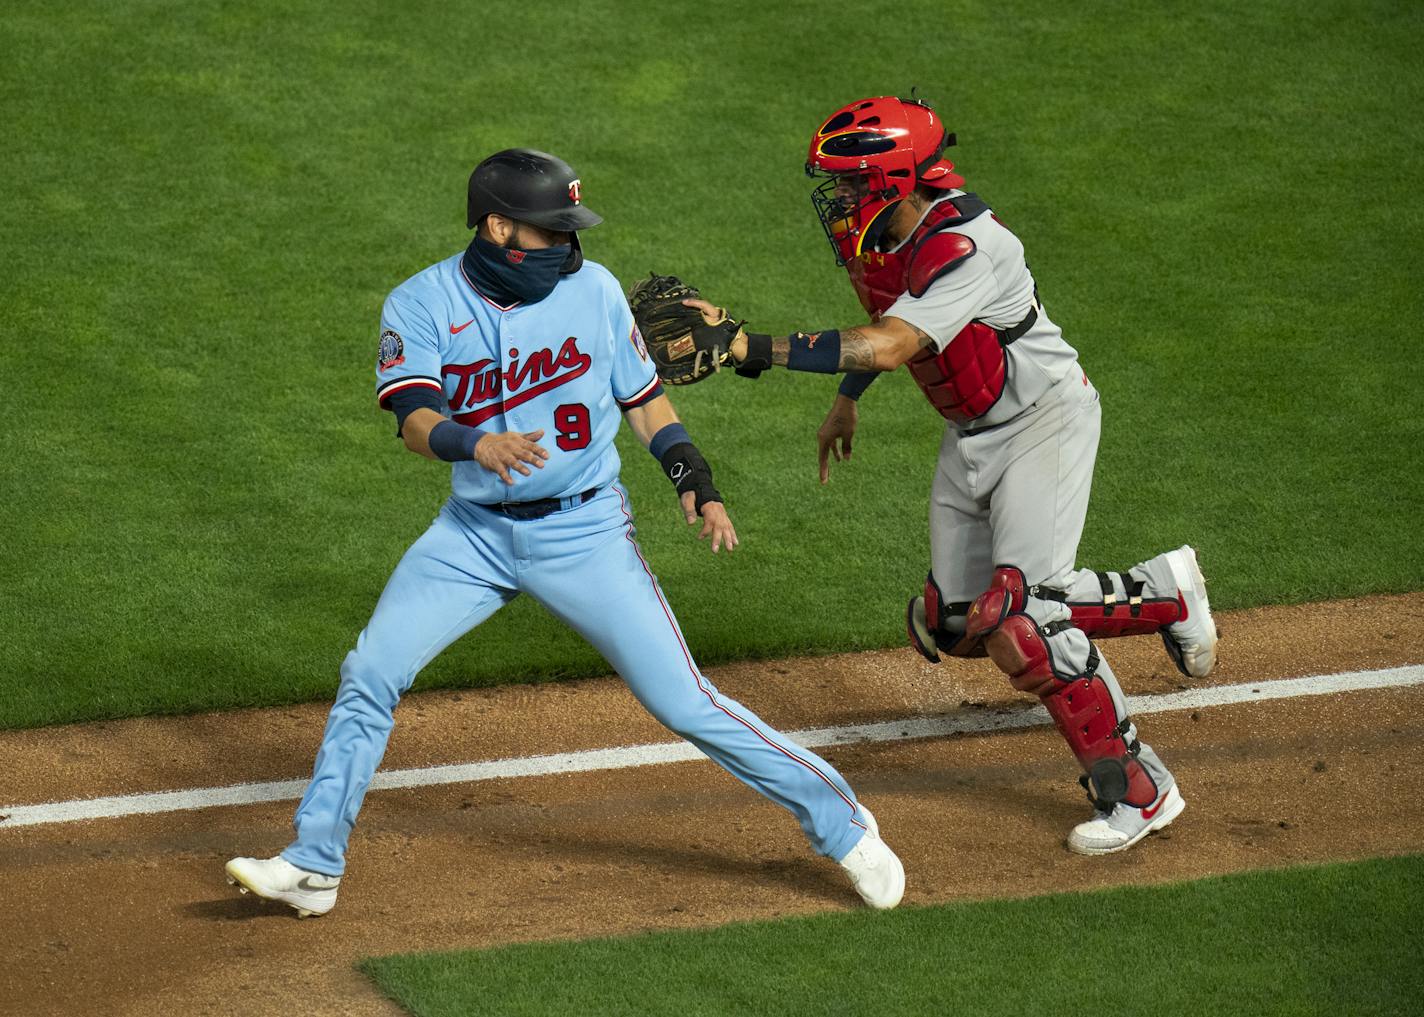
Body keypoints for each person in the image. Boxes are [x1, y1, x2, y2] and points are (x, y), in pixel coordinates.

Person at [224, 148, 904, 917]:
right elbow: (414, 416)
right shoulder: (421, 302)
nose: (568, 245)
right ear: (498, 227)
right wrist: (471, 442)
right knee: (370, 671)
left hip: (584, 534)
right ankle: (315, 864)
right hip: (471, 536)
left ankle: (842, 823)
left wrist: (695, 480)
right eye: (553, 230)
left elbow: (644, 399)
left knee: (686, 702)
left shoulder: (595, 290)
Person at [687, 96, 1219, 855]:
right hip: (972, 432)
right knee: (958, 621)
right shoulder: (890, 237)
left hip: (1044, 424)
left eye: (848, 184)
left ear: (894, 179)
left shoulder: (969, 246)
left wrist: (751, 350)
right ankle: (1166, 592)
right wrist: (845, 400)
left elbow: (896, 342)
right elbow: (888, 320)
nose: (836, 200)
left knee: (1026, 624)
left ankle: (1140, 789)